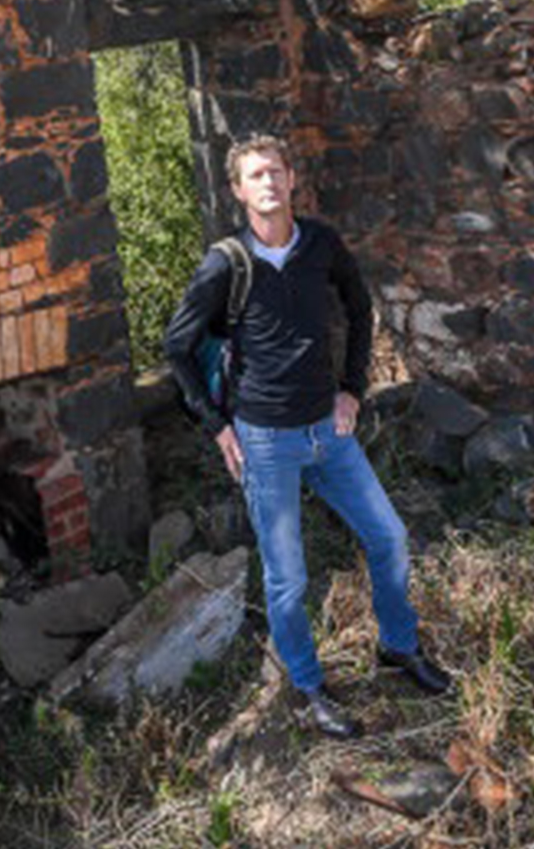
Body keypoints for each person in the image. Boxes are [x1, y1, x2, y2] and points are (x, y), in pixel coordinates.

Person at [164, 134, 451, 738]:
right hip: (264, 441)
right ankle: (308, 687)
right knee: (288, 579)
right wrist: (216, 427)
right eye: (254, 175)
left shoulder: (320, 243)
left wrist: (353, 387)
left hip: (330, 428)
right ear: (237, 191)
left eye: (275, 171)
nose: (267, 182)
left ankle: (398, 648)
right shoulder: (226, 263)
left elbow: (358, 302)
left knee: (390, 539)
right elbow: (177, 345)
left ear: (292, 180)